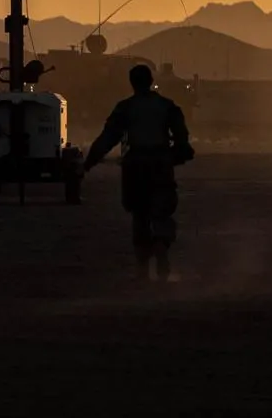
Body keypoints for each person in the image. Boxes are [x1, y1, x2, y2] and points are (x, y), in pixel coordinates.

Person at [83, 64, 195, 280]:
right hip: (161, 165)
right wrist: (176, 155)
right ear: (151, 80)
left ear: (132, 83)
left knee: (140, 215)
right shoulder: (167, 106)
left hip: (135, 166)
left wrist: (90, 162)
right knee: (162, 212)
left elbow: (108, 138)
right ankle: (161, 247)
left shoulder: (125, 108)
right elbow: (182, 138)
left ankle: (142, 268)